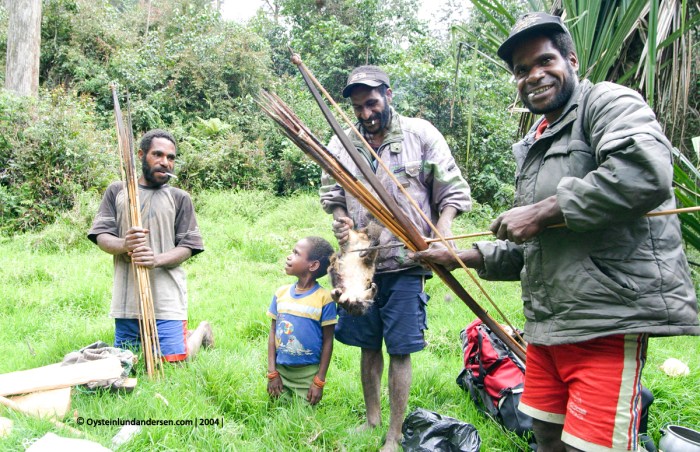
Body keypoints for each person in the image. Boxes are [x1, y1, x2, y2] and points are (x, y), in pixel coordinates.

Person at [412, 12, 700, 452]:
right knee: (544, 435)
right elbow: (535, 246)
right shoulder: (537, 143)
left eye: (544, 61)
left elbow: (644, 171)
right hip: (547, 327)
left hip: (604, 321)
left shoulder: (608, 102)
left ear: (572, 58)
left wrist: (545, 210)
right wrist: (462, 257)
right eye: (522, 70)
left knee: (592, 446)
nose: (534, 75)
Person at [320, 65, 472, 451]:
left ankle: (394, 433)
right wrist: (342, 223)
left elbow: (452, 191)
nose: (366, 114)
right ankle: (372, 420)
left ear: (389, 94)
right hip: (359, 264)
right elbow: (332, 196)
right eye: (358, 107)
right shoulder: (342, 141)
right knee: (368, 344)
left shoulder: (420, 134)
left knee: (400, 348)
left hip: (406, 261)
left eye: (372, 103)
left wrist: (445, 228)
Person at [88, 129, 213, 363]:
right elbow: (101, 236)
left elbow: (188, 247)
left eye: (171, 157)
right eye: (158, 155)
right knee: (129, 362)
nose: (165, 162)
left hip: (167, 297)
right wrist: (124, 244)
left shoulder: (179, 198)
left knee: (174, 362)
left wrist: (155, 260)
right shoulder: (118, 191)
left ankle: (200, 331)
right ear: (141, 154)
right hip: (128, 298)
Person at [266, 236, 336, 405]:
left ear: (313, 265)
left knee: (304, 420)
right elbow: (273, 333)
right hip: (280, 371)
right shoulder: (280, 294)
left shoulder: (324, 299)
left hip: (308, 374)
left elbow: (328, 341)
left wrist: (319, 381)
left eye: (296, 253)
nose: (289, 256)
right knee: (276, 413)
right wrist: (272, 373)